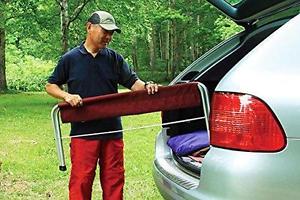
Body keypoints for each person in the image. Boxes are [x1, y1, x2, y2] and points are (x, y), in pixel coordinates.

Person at [45, 10, 158, 200]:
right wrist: (67, 95)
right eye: (105, 31)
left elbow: (133, 83)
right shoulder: (70, 59)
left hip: (112, 131)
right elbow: (50, 85)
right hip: (83, 132)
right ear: (89, 27)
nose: (108, 37)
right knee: (81, 181)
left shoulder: (115, 58)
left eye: (111, 33)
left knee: (114, 181)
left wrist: (147, 86)